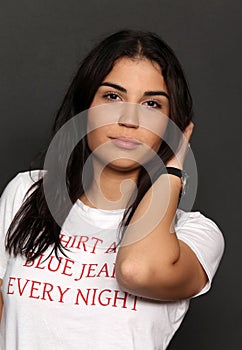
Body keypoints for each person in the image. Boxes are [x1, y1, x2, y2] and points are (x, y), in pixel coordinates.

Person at [0, 29, 224, 349]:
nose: (129, 119)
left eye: (151, 104)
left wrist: (173, 169)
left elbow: (136, 271)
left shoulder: (194, 235)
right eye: (112, 96)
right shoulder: (27, 194)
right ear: (85, 106)